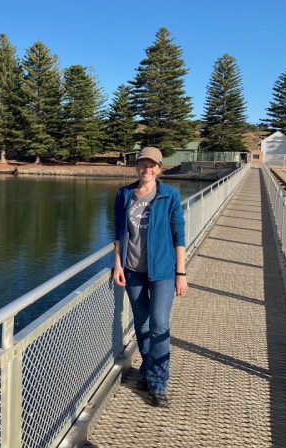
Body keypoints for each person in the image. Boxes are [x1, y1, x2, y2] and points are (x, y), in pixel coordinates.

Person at [113, 146, 188, 408]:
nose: (146, 169)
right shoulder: (124, 194)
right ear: (137, 167)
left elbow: (179, 235)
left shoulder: (169, 195)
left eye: (151, 165)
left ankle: (158, 384)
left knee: (159, 325)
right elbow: (118, 233)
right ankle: (147, 371)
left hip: (164, 271)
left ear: (159, 168)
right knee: (142, 325)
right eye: (142, 164)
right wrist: (118, 265)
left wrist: (181, 272)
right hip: (132, 270)